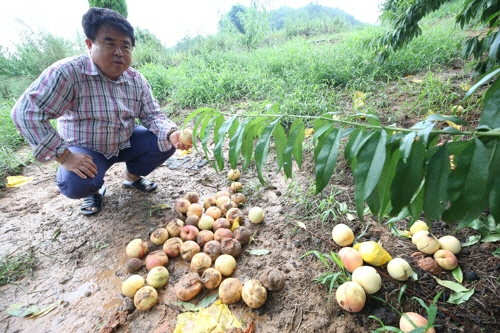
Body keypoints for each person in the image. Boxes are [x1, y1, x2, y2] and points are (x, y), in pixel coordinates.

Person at [10, 7, 191, 216]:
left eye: (126, 46)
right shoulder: (68, 73)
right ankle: (94, 190)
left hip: (126, 139)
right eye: (110, 43)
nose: (119, 52)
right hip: (86, 147)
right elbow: (25, 112)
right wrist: (65, 156)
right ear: (89, 44)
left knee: (164, 142)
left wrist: (171, 133)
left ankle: (131, 178)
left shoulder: (135, 80)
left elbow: (152, 115)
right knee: (75, 183)